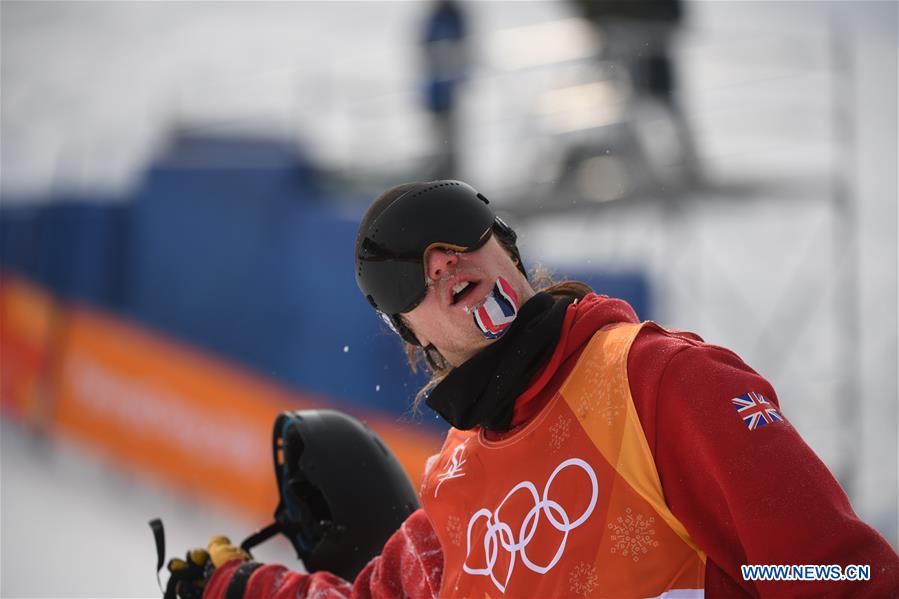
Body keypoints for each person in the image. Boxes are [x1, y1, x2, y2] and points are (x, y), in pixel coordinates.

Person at [186, 180, 898, 598]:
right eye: (399, 277)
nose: (437, 261)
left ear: (508, 248)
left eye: (453, 227)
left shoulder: (657, 383)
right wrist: (235, 586)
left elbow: (835, 569)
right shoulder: (457, 487)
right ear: (415, 339)